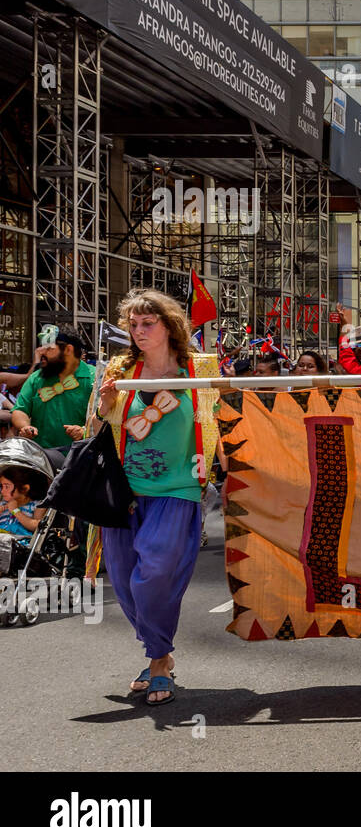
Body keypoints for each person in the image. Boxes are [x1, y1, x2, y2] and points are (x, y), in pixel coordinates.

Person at [90, 289, 214, 706]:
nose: (139, 331)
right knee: (125, 582)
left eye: (148, 323)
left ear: (169, 326)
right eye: (134, 325)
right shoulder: (119, 368)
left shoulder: (199, 370)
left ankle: (158, 663)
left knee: (155, 574)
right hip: (123, 490)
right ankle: (159, 654)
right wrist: (105, 405)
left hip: (177, 490)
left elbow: (221, 423)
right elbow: (97, 427)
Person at [10, 327, 95, 450]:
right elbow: (20, 410)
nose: (42, 352)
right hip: (42, 458)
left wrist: (85, 431)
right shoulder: (36, 378)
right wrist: (25, 427)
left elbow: (105, 417)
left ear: (68, 350)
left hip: (81, 458)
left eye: (49, 348)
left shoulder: (95, 378)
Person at [0, 467, 46, 539]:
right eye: (1, 487)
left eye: (6, 487)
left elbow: (37, 527)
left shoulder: (38, 505)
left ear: (24, 488)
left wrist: (15, 511)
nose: (2, 491)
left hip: (19, 543)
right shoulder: (2, 504)